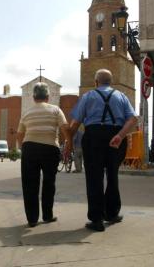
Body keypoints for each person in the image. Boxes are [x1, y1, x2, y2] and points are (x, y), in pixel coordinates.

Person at [68, 69, 137, 232]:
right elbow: (133, 118)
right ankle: (112, 213)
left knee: (94, 178)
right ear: (110, 82)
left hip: (93, 137)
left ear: (96, 82)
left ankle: (97, 219)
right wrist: (120, 135)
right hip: (116, 137)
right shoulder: (121, 96)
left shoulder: (88, 96)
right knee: (112, 175)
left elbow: (76, 122)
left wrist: (68, 140)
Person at [16, 82, 69, 227]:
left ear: (33, 97)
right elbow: (65, 128)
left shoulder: (26, 112)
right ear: (48, 96)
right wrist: (68, 145)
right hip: (50, 148)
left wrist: (23, 149)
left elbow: (19, 134)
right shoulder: (56, 110)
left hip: (29, 148)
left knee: (29, 184)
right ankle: (47, 215)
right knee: (49, 183)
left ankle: (32, 219)